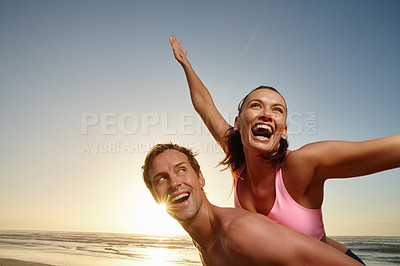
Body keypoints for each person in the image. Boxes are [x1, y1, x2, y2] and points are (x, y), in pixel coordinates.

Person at [169, 34, 400, 264]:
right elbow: (205, 107)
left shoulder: (303, 164)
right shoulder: (237, 157)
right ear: (238, 123)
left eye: (277, 110)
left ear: (284, 130)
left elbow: (387, 151)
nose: (267, 114)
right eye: (256, 105)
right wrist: (186, 64)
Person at [142, 143, 362, 266]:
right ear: (155, 197)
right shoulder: (205, 242)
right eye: (161, 179)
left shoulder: (238, 233)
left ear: (200, 178)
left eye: (181, 170)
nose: (174, 183)